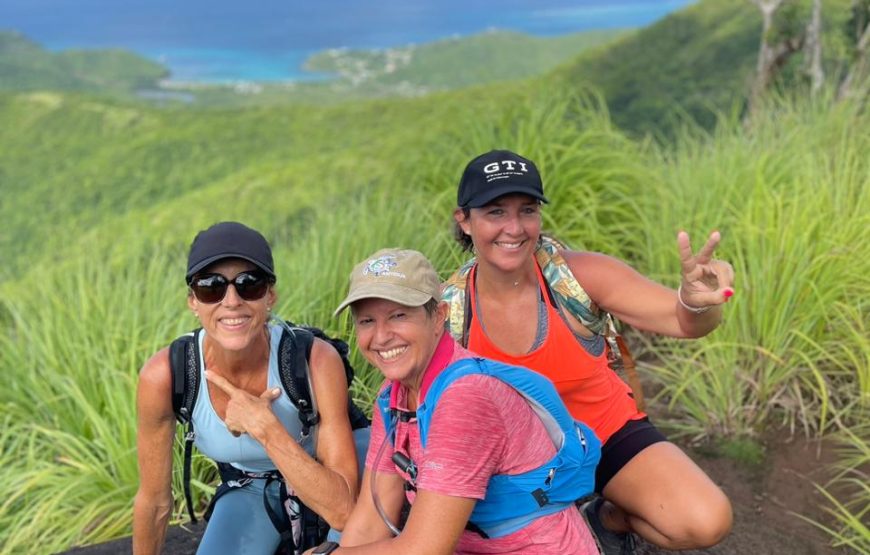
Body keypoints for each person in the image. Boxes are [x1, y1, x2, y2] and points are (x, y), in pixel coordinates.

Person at [446, 150, 734, 553]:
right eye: (495, 212)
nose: (514, 228)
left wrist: (699, 302)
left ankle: (606, 519)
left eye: (526, 210)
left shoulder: (576, 279)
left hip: (604, 432)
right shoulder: (451, 312)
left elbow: (684, 321)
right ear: (465, 220)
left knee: (705, 521)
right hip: (514, 465)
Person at [305, 248, 601, 555]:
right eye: (367, 321)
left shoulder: (465, 399)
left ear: (439, 317)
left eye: (398, 315)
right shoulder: (392, 398)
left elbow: (425, 549)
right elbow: (370, 522)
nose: (380, 337)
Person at [133, 221, 364, 555]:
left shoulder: (313, 360)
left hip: (329, 474)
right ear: (193, 301)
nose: (231, 301)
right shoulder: (168, 376)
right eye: (211, 286)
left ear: (270, 295)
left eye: (249, 284)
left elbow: (342, 510)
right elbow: (153, 502)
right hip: (251, 486)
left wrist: (265, 428)